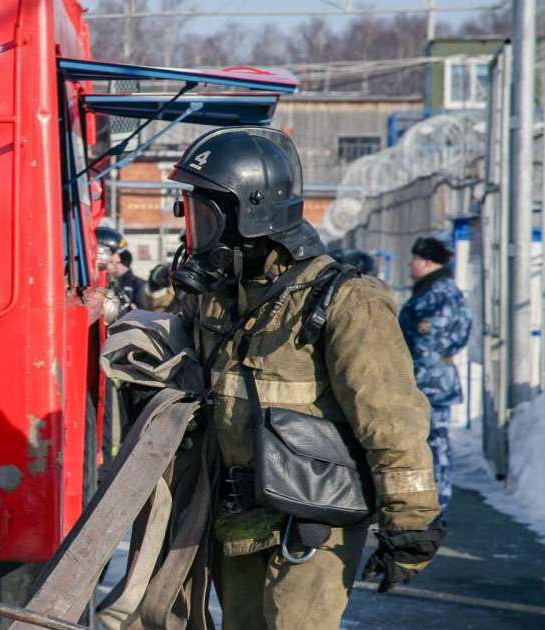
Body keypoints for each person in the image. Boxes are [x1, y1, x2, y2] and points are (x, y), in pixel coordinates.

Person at [167, 126, 442, 630]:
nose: (195, 232)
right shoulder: (218, 300)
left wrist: (410, 521)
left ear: (250, 215)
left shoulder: (347, 300)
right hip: (235, 515)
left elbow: (393, 420)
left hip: (312, 520)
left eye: (205, 217)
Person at [399, 236, 472, 517]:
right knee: (430, 441)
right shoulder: (436, 289)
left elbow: (430, 343)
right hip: (431, 378)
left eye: (415, 259)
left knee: (434, 443)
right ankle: (430, 503)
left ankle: (436, 504)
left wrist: (410, 378)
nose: (410, 264)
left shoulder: (438, 293)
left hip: (429, 382)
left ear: (427, 262)